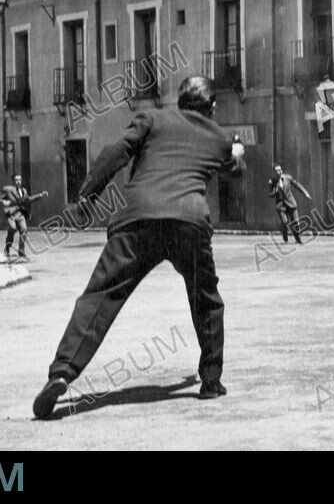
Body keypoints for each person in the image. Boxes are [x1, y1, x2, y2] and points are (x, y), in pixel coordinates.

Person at [32, 76, 245, 419]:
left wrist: (88, 195)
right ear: (213, 108)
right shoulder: (219, 137)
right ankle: (210, 381)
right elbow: (235, 169)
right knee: (206, 298)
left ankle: (61, 373)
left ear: (179, 102)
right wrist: (236, 152)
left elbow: (115, 152)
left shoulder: (153, 118)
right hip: (187, 224)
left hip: (137, 218)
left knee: (99, 296)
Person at [0, 175, 47, 260]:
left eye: (19, 180)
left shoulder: (23, 191)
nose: (18, 181)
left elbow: (29, 199)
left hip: (20, 213)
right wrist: (4, 201)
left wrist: (40, 195)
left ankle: (21, 251)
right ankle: (7, 247)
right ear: (13, 181)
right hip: (11, 214)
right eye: (16, 180)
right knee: (12, 228)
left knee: (24, 229)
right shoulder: (7, 190)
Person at [267, 164, 311, 244]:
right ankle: (285, 236)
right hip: (280, 205)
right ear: (273, 172)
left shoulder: (288, 178)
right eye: (276, 171)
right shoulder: (271, 181)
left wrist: (305, 193)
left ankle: (298, 239)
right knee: (284, 222)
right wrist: (277, 190)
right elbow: (270, 195)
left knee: (296, 222)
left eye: (280, 170)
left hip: (291, 203)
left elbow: (297, 185)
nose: (278, 172)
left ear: (282, 171)